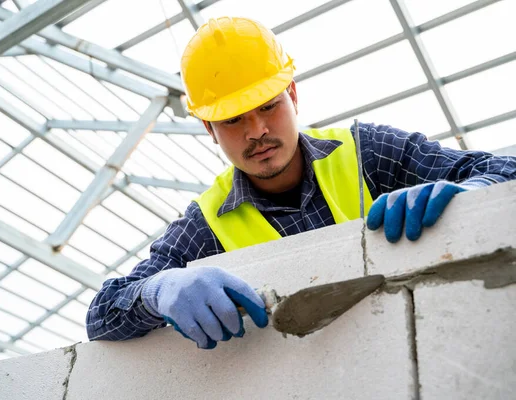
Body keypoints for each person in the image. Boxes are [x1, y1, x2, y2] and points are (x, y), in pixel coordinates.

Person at [86, 17, 516, 349]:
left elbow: (506, 170)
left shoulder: (370, 152)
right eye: (233, 119)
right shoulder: (207, 224)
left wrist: (474, 198)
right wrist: (157, 290)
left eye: (268, 107)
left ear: (292, 96)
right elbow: (101, 316)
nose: (256, 131)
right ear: (209, 129)